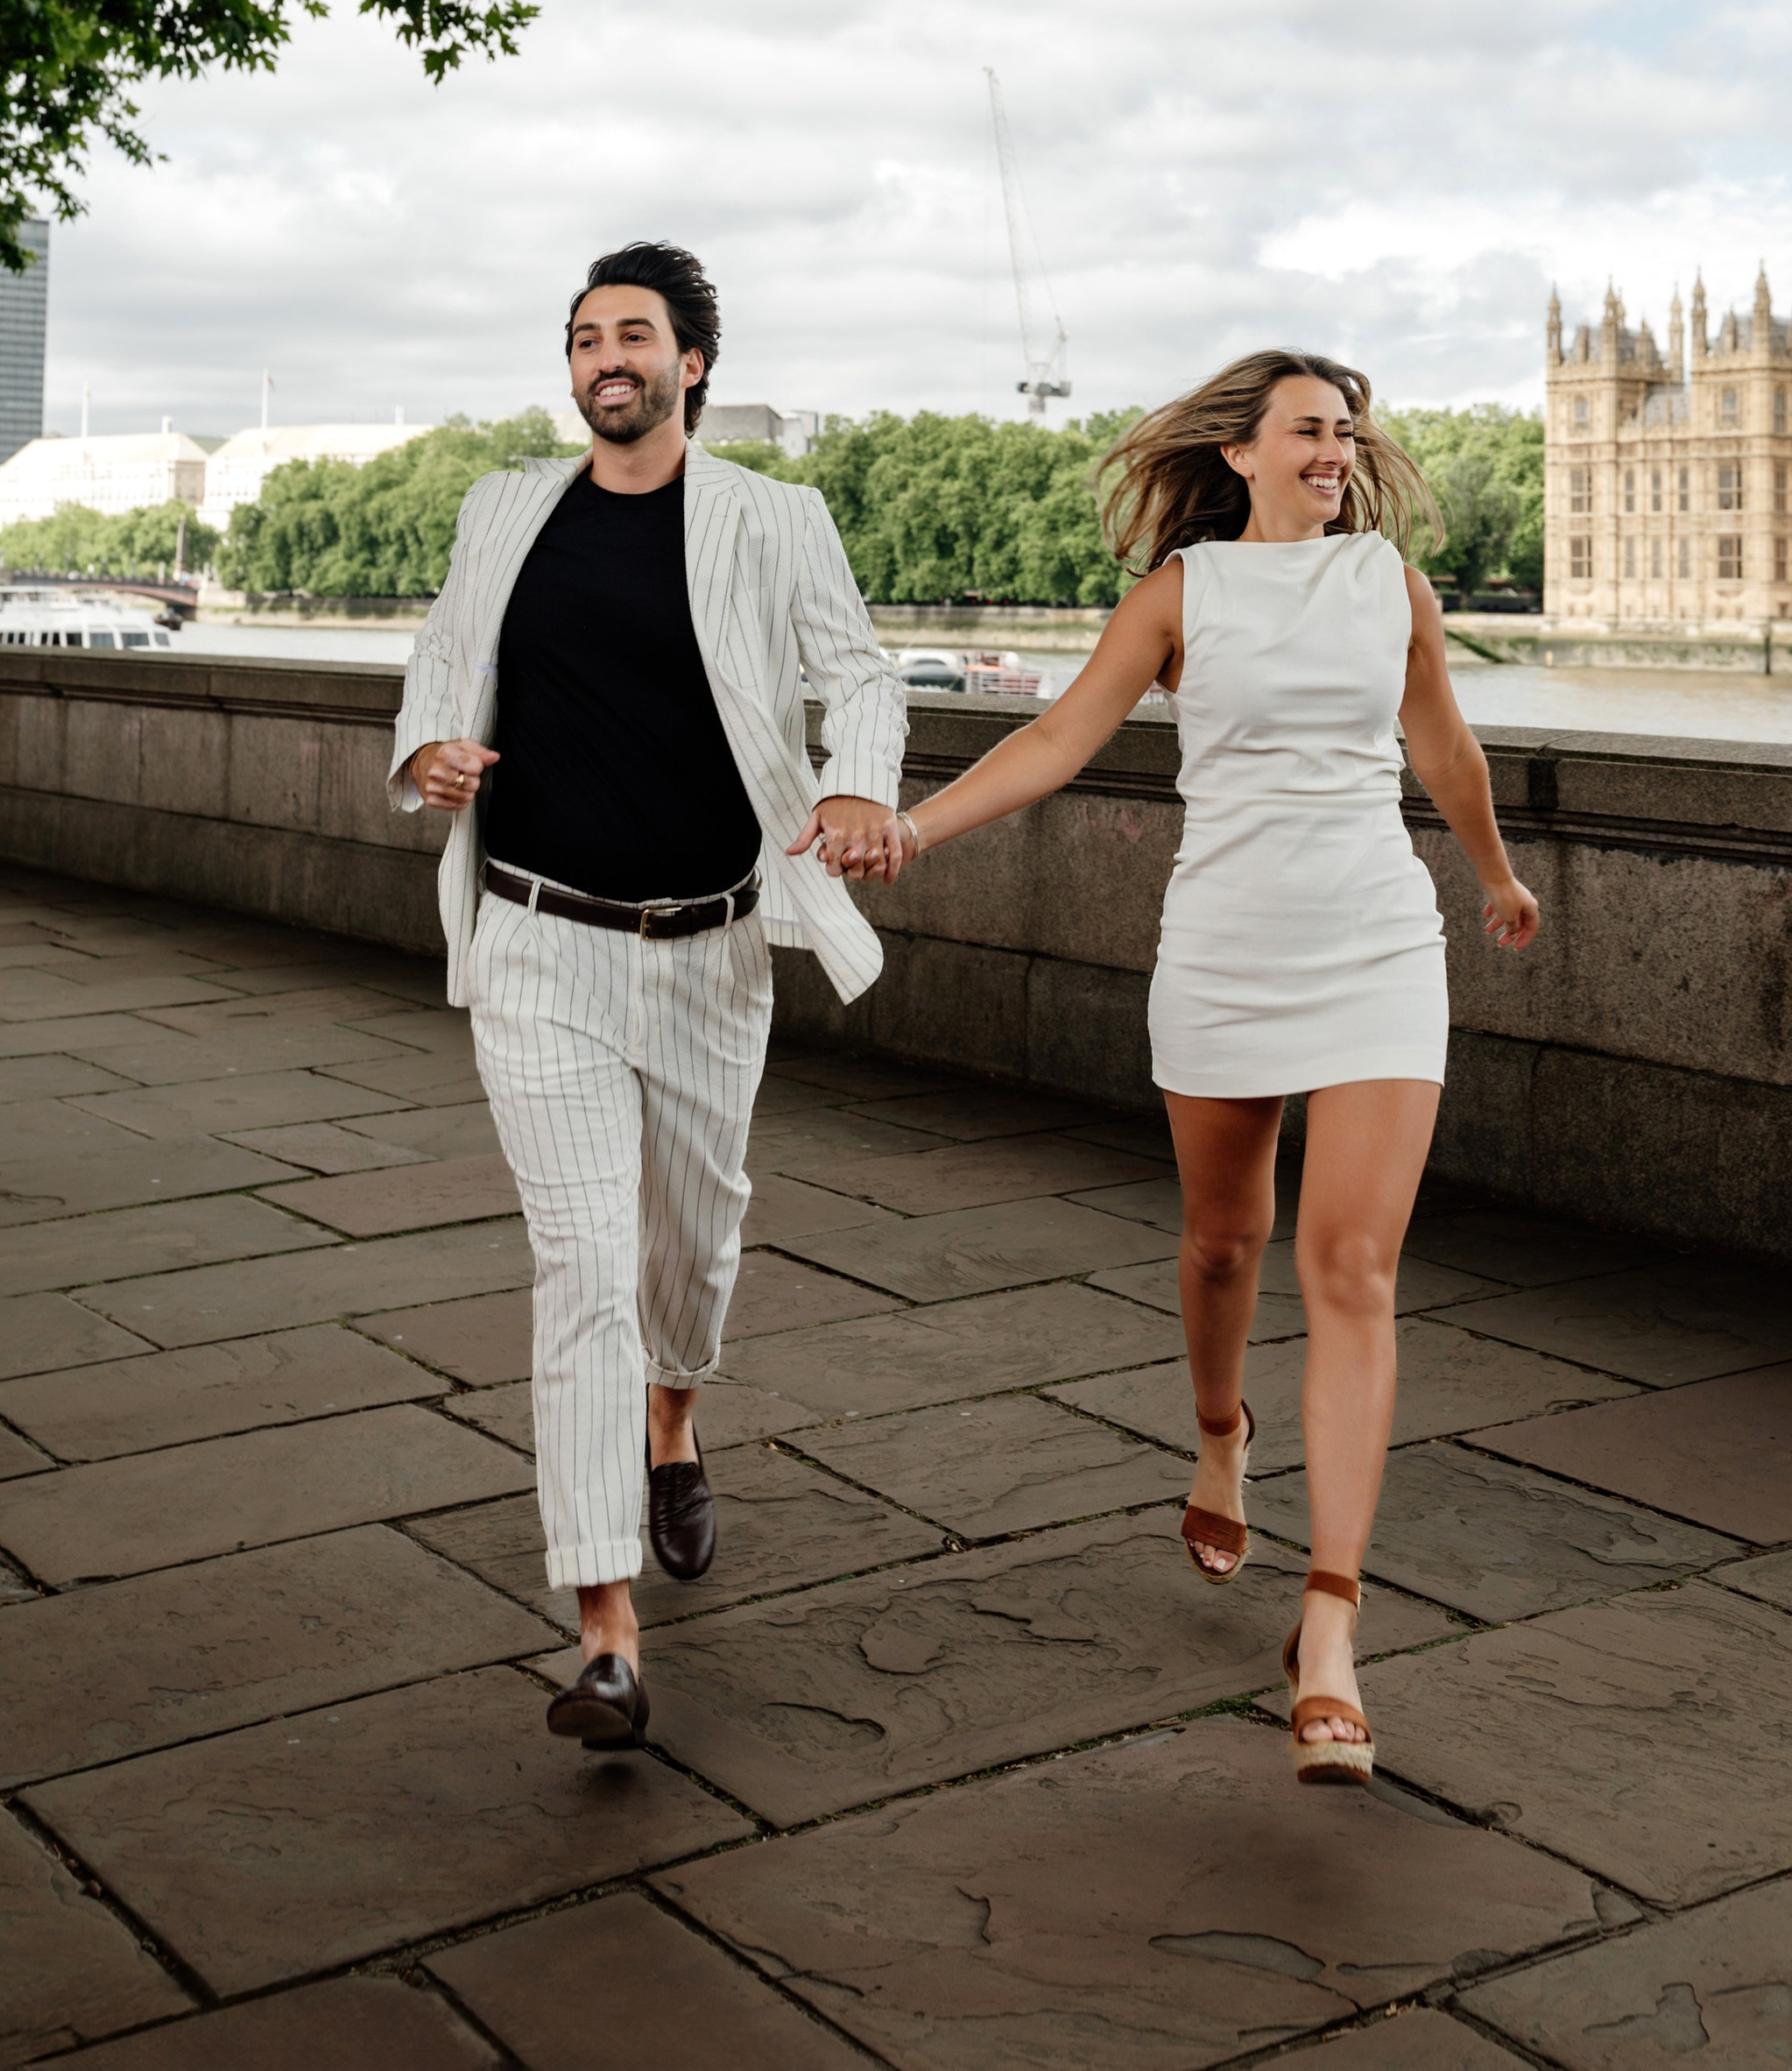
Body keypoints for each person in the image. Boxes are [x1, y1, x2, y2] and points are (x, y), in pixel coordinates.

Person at [841, 351, 1537, 1788]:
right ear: (1241, 452)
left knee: (1351, 1270)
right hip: (1225, 947)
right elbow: (1055, 738)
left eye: (1347, 432)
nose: (1336, 452)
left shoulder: (1386, 584)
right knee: (1227, 1241)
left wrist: (1494, 875)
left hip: (1377, 947)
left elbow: (1444, 745)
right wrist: (917, 828)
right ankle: (1221, 1436)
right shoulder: (1180, 596)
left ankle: (1330, 1628)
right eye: (1308, 431)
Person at [389, 243, 905, 1749]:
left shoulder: (773, 516)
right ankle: (603, 1623)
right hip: (537, 942)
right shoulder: (504, 507)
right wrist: (429, 751)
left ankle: (674, 1428)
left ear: (692, 365)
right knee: (584, 1268)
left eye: (636, 335)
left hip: (711, 953)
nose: (606, 356)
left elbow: (859, 676)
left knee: (691, 1247)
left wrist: (862, 785)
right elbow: (440, 660)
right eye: (583, 337)